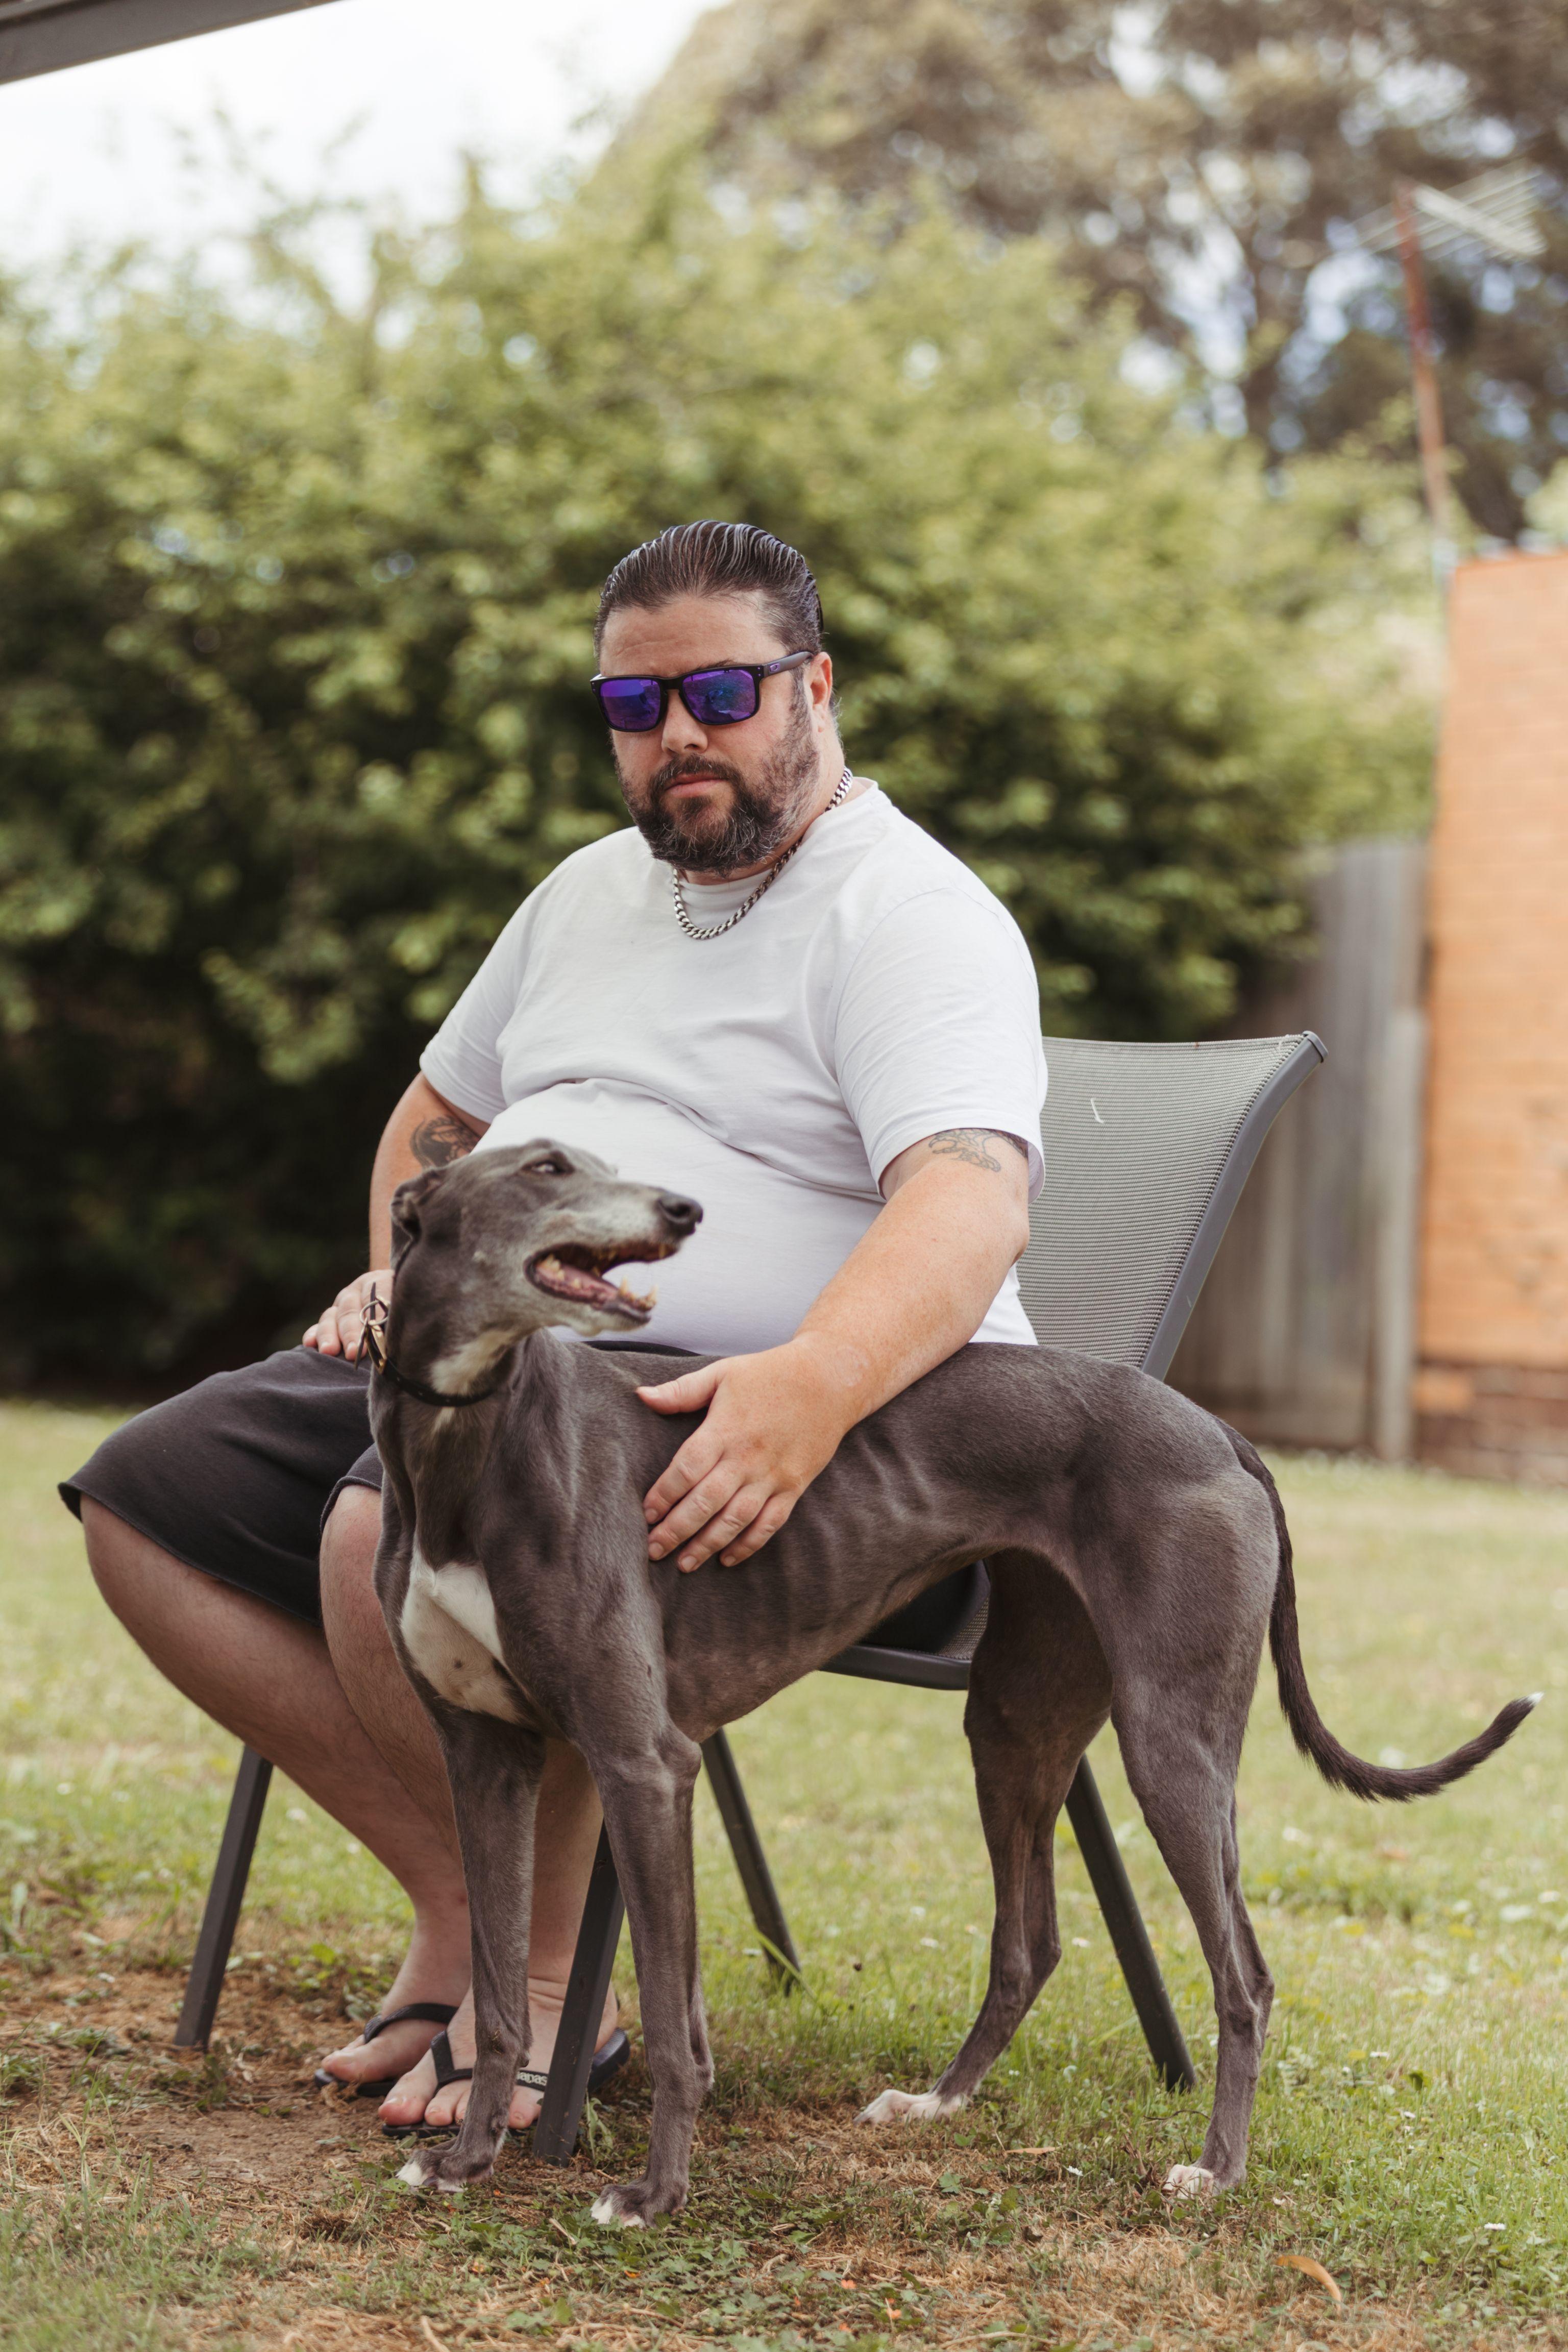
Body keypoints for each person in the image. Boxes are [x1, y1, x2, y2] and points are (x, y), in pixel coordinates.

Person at [61, 520, 1046, 2135]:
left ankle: (542, 1999)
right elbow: (436, 1124)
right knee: (143, 1496)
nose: (678, 737)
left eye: (722, 692)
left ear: (815, 685)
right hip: (506, 1352)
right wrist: (409, 1270)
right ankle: (477, 1918)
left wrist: (810, 1384)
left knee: (384, 1525)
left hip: (789, 1418)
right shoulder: (588, 893)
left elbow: (967, 1203)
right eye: (634, 705)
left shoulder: (910, 914)